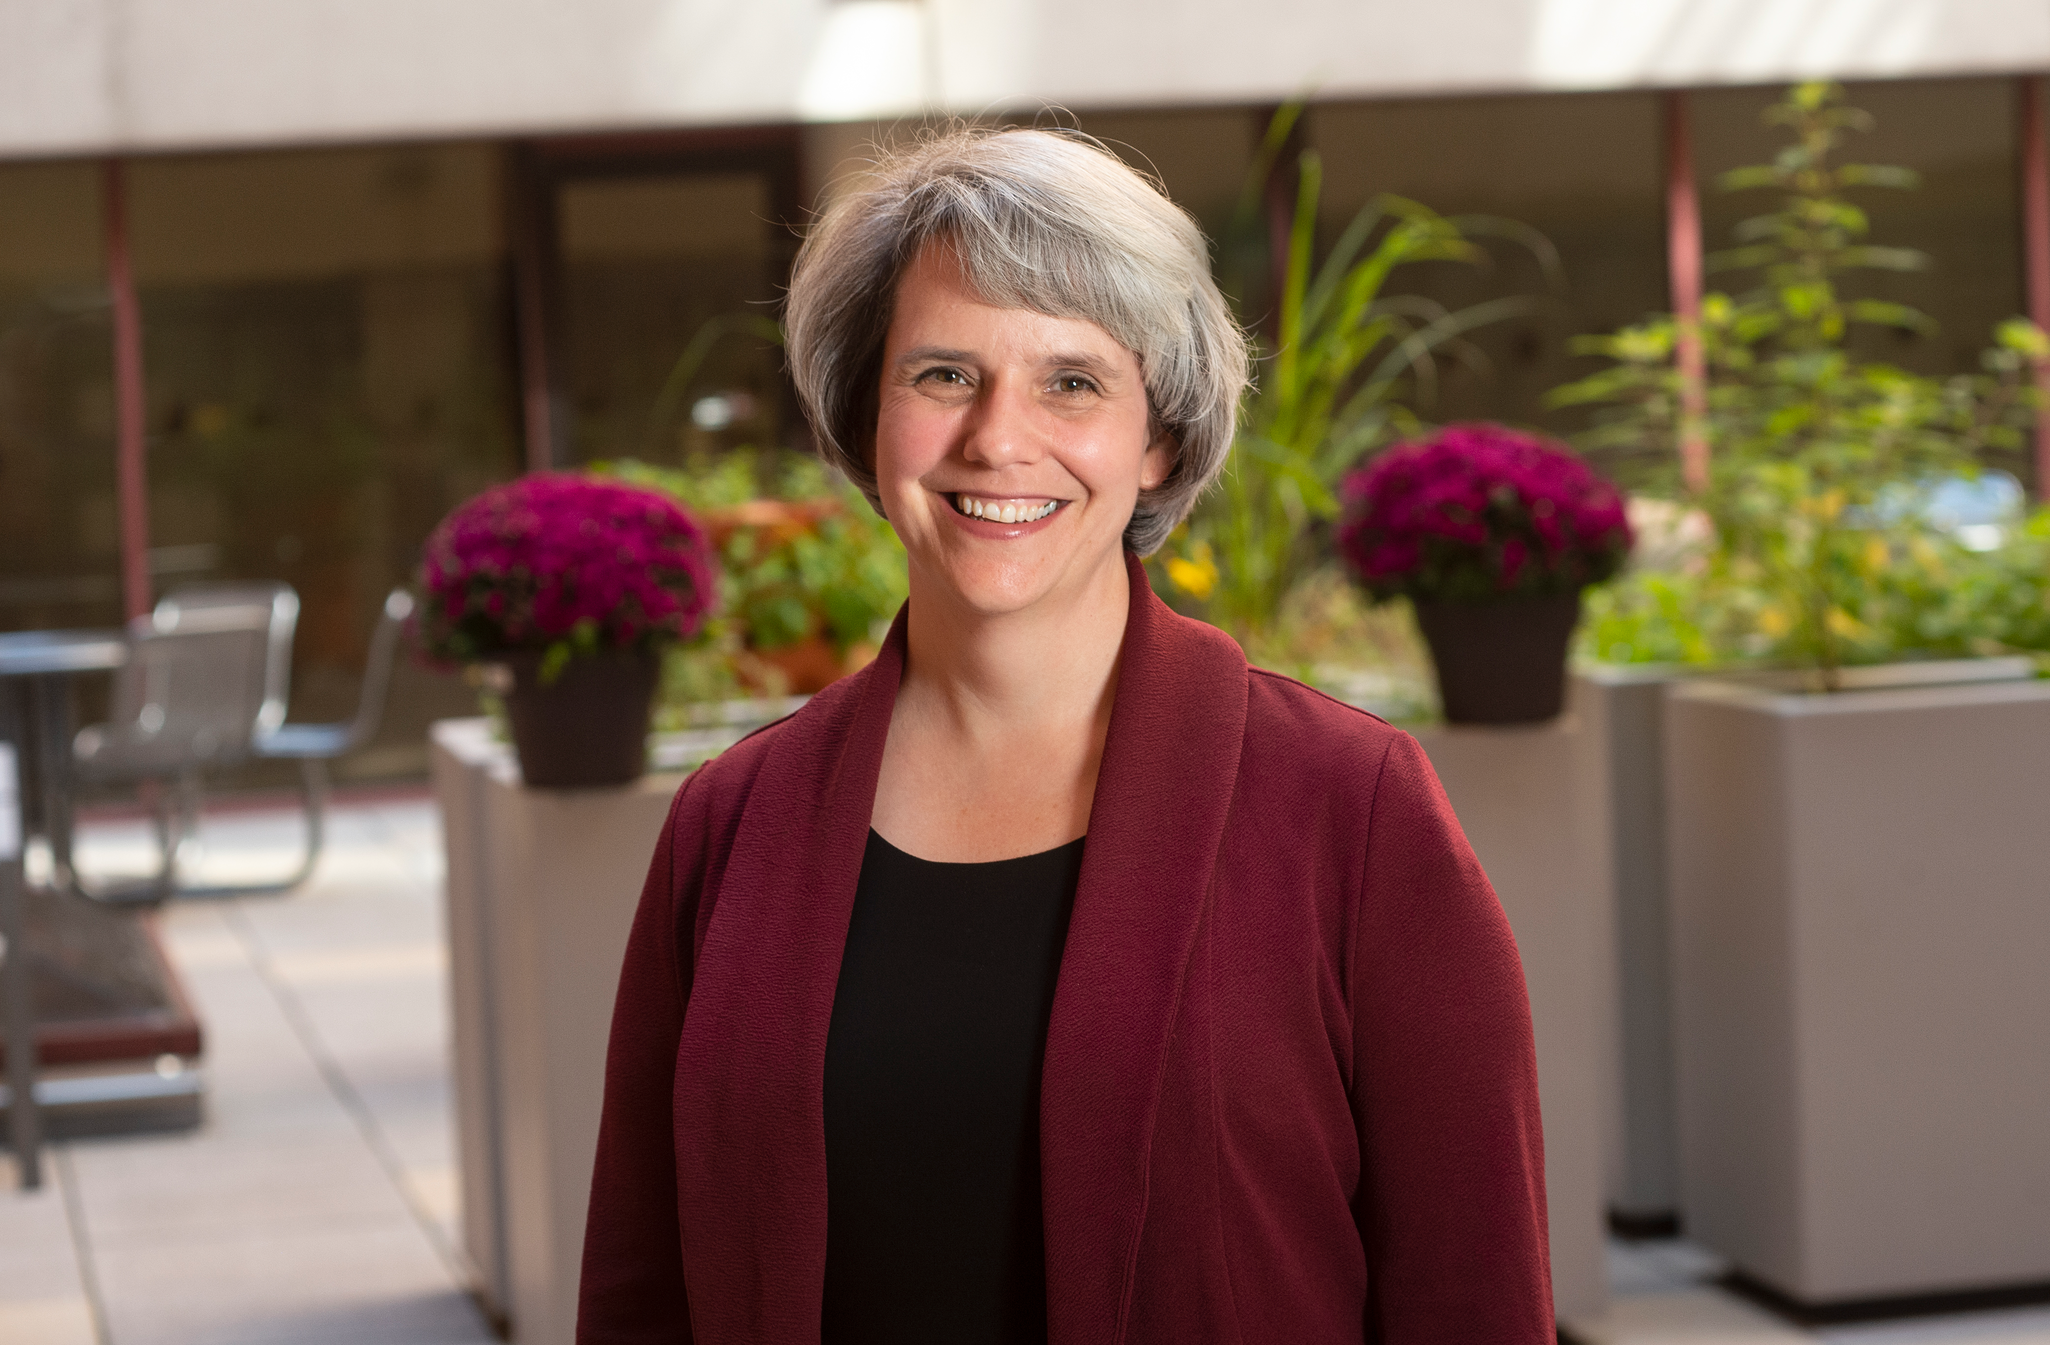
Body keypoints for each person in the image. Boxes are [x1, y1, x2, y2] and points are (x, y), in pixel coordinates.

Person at [577, 127, 1553, 1345]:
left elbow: (1474, 1300)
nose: (997, 437)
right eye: (941, 374)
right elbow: (639, 1294)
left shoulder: (1350, 808)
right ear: (866, 413)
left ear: (1159, 440)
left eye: (1072, 381)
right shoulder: (732, 825)